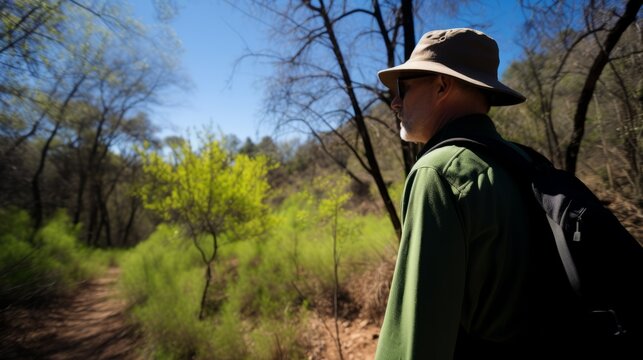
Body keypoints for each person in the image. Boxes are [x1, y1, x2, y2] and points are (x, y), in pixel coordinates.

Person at [373, 28, 587, 359]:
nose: (394, 102)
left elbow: (418, 335)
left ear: (442, 86)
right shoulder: (526, 160)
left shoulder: (439, 172)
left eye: (403, 87)